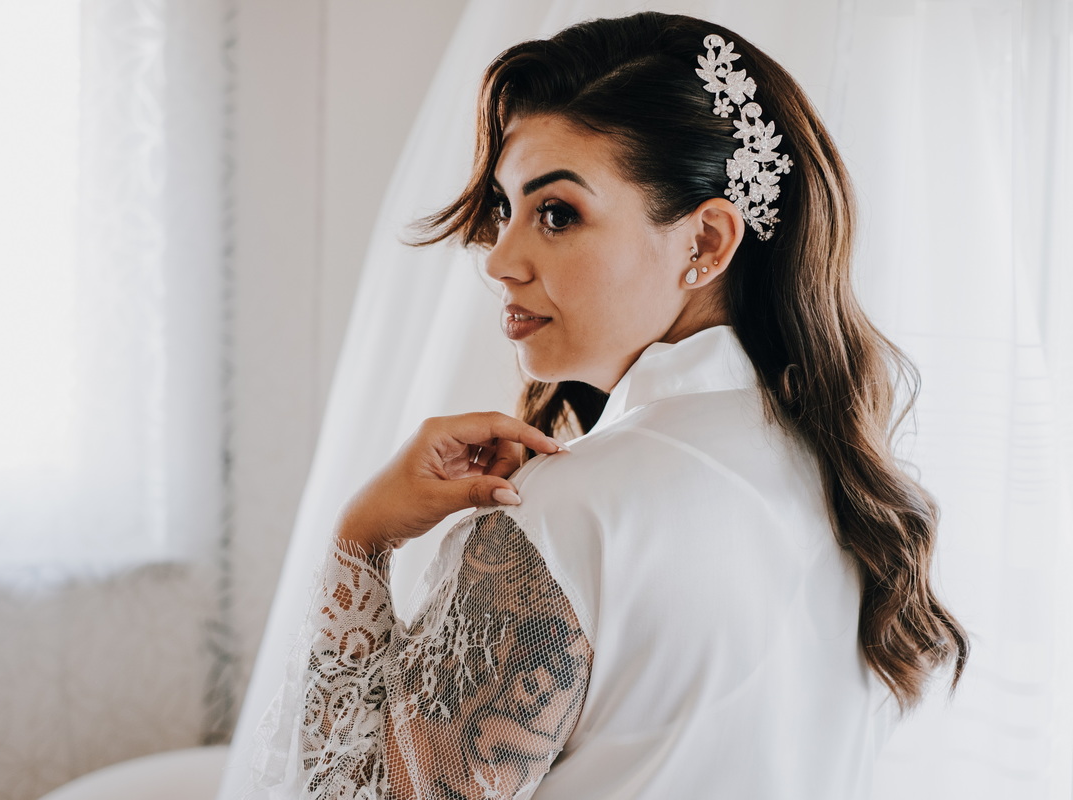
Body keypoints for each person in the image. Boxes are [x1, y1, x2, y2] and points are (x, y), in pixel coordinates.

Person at [247, 12, 968, 800]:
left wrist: (361, 538)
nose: (499, 259)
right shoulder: (844, 484)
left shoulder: (564, 514)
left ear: (706, 243)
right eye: (506, 208)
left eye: (557, 214)